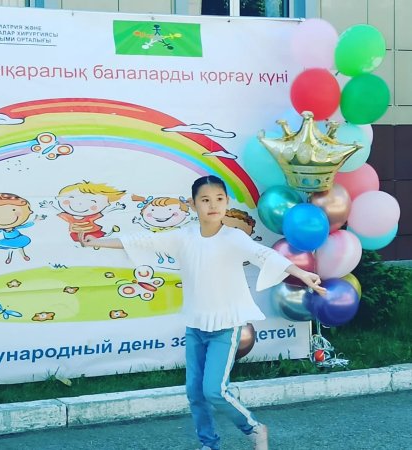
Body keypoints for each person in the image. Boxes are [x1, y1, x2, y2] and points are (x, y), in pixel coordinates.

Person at [80, 175, 326, 450]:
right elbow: (144, 240)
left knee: (214, 390)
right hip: (196, 326)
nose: (213, 205)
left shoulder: (234, 238)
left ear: (227, 202)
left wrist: (301, 273)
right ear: (192, 204)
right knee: (195, 393)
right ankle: (209, 444)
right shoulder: (183, 237)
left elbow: (265, 255)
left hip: (226, 326)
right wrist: (96, 242)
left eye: (219, 199)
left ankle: (254, 428)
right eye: (205, 200)